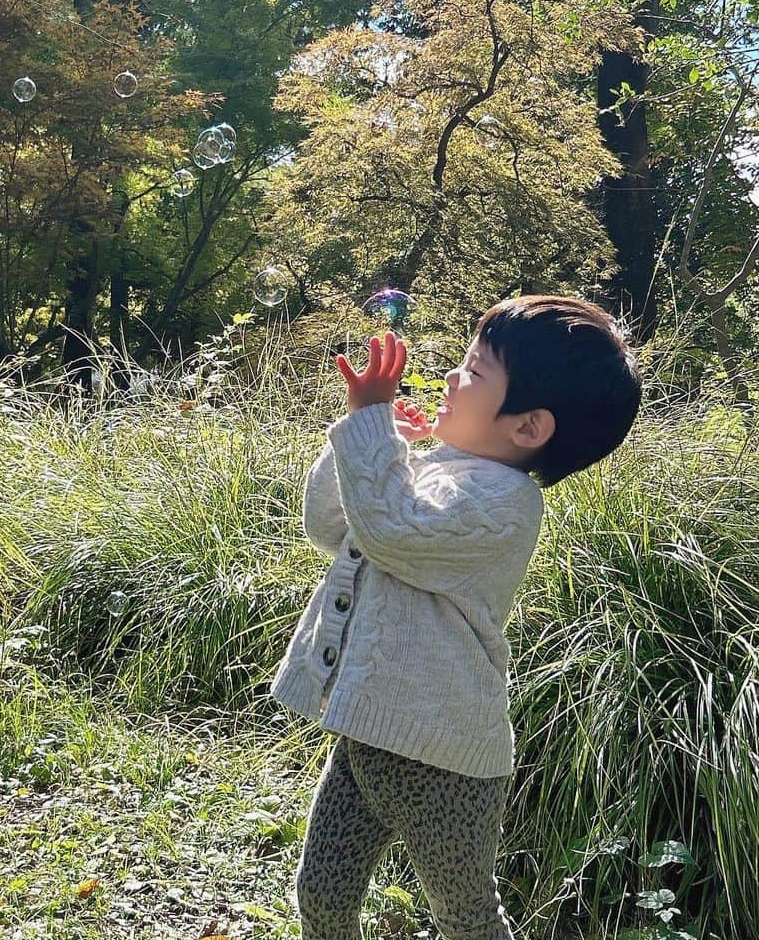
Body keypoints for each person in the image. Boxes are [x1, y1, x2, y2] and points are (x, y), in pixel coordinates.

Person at [270, 294, 643, 940]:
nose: (450, 377)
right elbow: (333, 526)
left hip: (443, 759)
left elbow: (390, 528)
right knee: (322, 894)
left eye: (474, 372)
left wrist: (372, 425)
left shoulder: (502, 505)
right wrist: (372, 438)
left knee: (465, 914)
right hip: (369, 732)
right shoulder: (439, 472)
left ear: (527, 428)